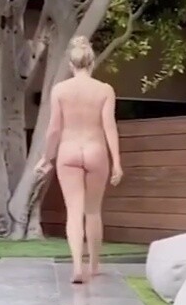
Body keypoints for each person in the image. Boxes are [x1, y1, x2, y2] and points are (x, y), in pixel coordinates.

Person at [36, 36, 123, 284]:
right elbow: (109, 127)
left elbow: (54, 129)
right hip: (96, 150)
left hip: (68, 151)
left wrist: (46, 157)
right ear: (92, 62)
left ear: (71, 65)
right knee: (93, 211)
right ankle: (94, 265)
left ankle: (76, 266)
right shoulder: (105, 90)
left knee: (74, 212)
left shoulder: (60, 90)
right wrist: (117, 162)